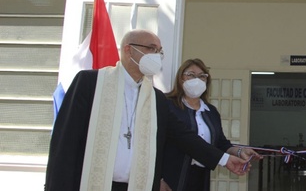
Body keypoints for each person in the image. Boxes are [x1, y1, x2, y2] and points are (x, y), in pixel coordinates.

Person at [45, 30, 249, 191]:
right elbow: (65, 142)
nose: (157, 56)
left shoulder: (155, 98)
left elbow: (185, 136)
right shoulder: (90, 83)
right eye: (151, 48)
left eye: (160, 51)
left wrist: (224, 159)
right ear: (128, 50)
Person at [161, 58, 262, 191]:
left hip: (200, 177)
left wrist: (239, 151)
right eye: (191, 74)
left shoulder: (211, 111)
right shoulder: (167, 105)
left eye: (202, 76)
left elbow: (221, 143)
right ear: (181, 79)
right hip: (170, 178)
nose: (196, 79)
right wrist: (160, 180)